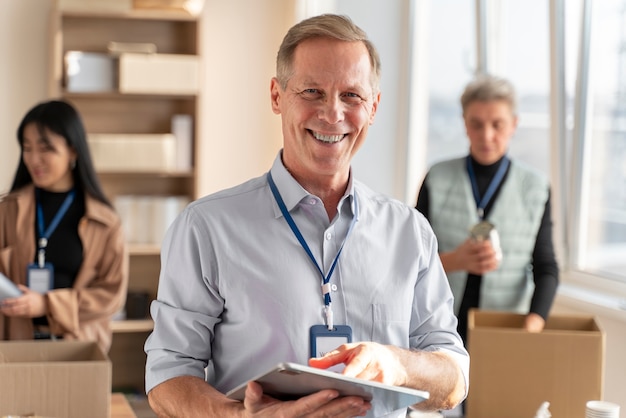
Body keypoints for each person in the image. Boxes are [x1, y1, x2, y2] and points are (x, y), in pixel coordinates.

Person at [144, 14, 468, 418]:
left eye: (351, 95)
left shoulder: (410, 232)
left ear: (374, 107)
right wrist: (240, 417)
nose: (332, 114)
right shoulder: (206, 228)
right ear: (277, 96)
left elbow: (453, 379)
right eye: (312, 91)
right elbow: (167, 376)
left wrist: (399, 365)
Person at [415, 74, 559, 345]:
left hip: (506, 330)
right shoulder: (437, 177)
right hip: (438, 326)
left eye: (497, 124)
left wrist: (533, 326)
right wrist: (456, 260)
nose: (487, 135)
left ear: (514, 125)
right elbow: (410, 262)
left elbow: (546, 267)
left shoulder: (536, 188)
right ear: (465, 124)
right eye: (477, 124)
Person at [0, 99, 128, 353]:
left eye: (45, 148)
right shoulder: (7, 210)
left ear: (73, 151)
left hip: (78, 348)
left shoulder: (105, 221)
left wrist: (48, 304)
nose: (34, 159)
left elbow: (111, 296)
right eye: (27, 148)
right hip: (14, 346)